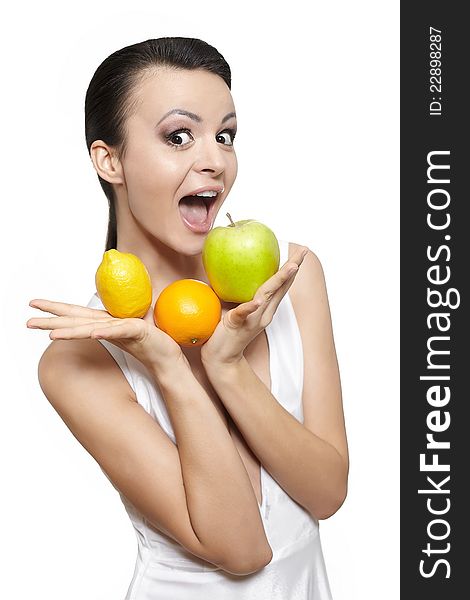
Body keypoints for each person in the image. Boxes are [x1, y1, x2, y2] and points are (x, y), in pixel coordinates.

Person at [26, 37, 348, 599]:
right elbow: (242, 549)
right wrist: (171, 368)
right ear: (110, 160)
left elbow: (326, 494)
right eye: (179, 136)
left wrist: (227, 367)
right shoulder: (78, 358)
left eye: (225, 136)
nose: (215, 161)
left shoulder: (293, 279)